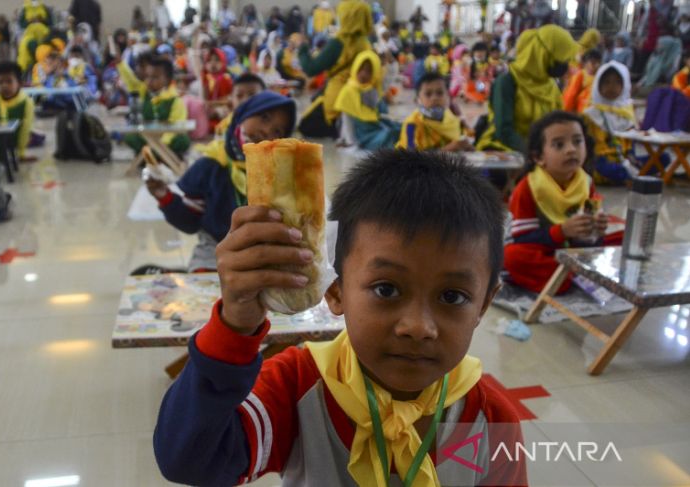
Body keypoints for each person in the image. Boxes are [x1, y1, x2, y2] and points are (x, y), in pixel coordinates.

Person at [153, 149, 527, 486]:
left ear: (483, 305)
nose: (417, 327)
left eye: (452, 296)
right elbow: (188, 461)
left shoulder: (493, 420)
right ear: (335, 289)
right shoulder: (297, 386)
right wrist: (234, 326)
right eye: (386, 289)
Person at [145, 91, 296, 271]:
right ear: (243, 114)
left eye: (277, 131)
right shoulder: (210, 165)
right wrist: (164, 196)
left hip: (263, 255)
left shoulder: (277, 175)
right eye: (264, 117)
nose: (266, 131)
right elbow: (190, 222)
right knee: (205, 292)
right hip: (214, 252)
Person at [504, 111, 622, 294]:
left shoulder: (586, 182)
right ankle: (568, 277)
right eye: (559, 145)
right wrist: (562, 231)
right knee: (512, 256)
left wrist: (596, 229)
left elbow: (589, 235)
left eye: (577, 141)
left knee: (625, 234)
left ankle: (569, 273)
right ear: (538, 157)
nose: (571, 149)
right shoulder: (528, 187)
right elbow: (522, 238)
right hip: (545, 250)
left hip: (575, 248)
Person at [477, 25, 578, 153]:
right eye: (560, 59)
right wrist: (535, 153)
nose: (565, 65)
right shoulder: (507, 82)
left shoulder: (550, 86)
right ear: (542, 55)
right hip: (504, 150)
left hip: (542, 152)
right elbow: (504, 131)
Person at [297, 0, 373, 138]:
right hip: (359, 98)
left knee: (305, 125)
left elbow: (311, 68)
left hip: (337, 98)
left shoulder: (339, 43)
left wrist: (302, 48)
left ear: (346, 17)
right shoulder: (366, 43)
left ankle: (339, 129)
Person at [118, 56, 190, 156]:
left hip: (167, 140)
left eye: (155, 77)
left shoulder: (175, 99)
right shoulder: (143, 91)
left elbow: (176, 125)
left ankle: (153, 155)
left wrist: (162, 143)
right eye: (147, 76)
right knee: (130, 137)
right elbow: (131, 81)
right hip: (148, 137)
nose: (149, 81)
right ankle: (153, 155)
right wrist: (120, 64)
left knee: (182, 140)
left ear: (168, 80)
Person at [583, 61, 639, 185]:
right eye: (606, 82)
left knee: (663, 158)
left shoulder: (627, 112)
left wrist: (631, 154)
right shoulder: (591, 114)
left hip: (624, 159)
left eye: (617, 82)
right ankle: (631, 174)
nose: (611, 87)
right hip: (601, 160)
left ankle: (629, 173)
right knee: (603, 167)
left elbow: (631, 141)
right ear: (598, 85)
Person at [334, 50, 401, 150]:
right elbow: (347, 121)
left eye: (369, 71)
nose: (363, 74)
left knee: (402, 128)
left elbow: (388, 79)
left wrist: (392, 62)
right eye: (361, 69)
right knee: (390, 136)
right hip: (363, 137)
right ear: (355, 68)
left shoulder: (373, 88)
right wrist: (351, 142)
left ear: (374, 73)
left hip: (376, 127)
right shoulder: (348, 91)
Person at [396, 72, 473, 151]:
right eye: (428, 94)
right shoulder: (411, 124)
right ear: (418, 99)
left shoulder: (451, 118)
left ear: (447, 96)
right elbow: (409, 157)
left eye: (440, 93)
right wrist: (447, 149)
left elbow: (460, 141)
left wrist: (466, 147)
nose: (434, 98)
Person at [213, 73, 266, 138]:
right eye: (239, 95)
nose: (245, 100)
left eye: (252, 95)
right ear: (232, 99)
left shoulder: (269, 125)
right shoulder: (225, 126)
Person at [201, 47, 234, 133]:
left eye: (216, 60)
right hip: (209, 111)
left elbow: (230, 100)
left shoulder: (226, 79)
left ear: (223, 62)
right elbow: (204, 99)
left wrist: (212, 104)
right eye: (210, 60)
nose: (213, 63)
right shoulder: (205, 78)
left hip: (222, 111)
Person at [563, 49, 602, 113]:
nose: (595, 66)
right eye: (593, 62)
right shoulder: (580, 75)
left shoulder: (600, 76)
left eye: (598, 63)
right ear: (585, 63)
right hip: (580, 111)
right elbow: (571, 95)